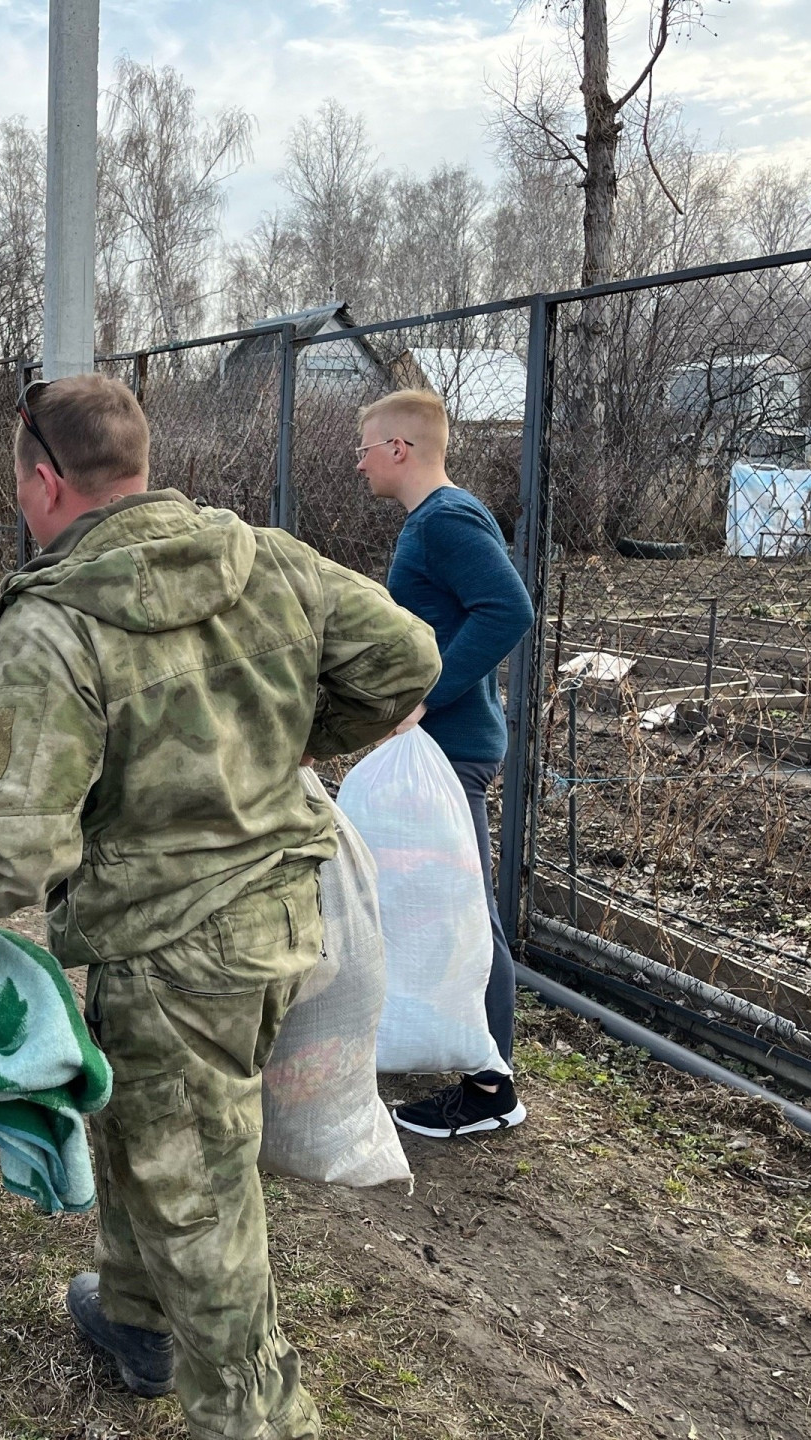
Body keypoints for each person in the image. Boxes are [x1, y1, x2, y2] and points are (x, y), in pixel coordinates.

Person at [0, 373, 440, 1439]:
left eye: (22, 480)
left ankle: (257, 1418)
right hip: (280, 919)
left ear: (45, 478)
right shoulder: (263, 559)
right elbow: (407, 658)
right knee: (153, 1133)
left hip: (174, 950)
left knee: (199, 1194)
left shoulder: (57, 622)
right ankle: (135, 1323)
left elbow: (10, 836)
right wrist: (299, 742)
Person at [356, 388, 536, 1139]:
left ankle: (492, 1087)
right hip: (441, 745)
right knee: (435, 902)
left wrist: (426, 697)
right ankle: (443, 1043)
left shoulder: (445, 521)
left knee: (470, 911)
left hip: (452, 748)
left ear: (400, 448)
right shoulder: (438, 521)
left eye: (365, 447)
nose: (359, 461)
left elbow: (509, 608)